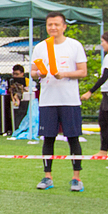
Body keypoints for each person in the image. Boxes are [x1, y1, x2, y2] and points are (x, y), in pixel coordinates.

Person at [30, 11, 88, 192]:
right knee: (48, 138)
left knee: (73, 138)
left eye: (56, 24)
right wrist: (39, 73)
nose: (53, 28)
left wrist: (64, 74)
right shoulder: (40, 47)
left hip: (69, 100)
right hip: (48, 100)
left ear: (64, 26)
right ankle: (47, 177)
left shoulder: (74, 45)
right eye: (49, 25)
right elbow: (32, 72)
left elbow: (82, 72)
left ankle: (76, 178)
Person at [81, 32, 108, 159]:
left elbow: (105, 77)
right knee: (103, 122)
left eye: (103, 41)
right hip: (107, 94)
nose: (101, 44)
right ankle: (103, 151)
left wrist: (90, 91)